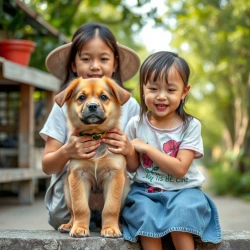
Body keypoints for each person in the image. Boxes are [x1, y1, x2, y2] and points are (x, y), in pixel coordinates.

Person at [102, 51, 222, 250]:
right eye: (153, 88)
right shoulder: (135, 124)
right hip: (146, 191)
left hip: (184, 190)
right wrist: (129, 149)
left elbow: (180, 168)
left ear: (184, 92)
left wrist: (146, 148)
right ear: (143, 89)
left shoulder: (190, 126)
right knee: (144, 212)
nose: (161, 96)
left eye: (170, 90)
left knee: (183, 212)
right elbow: (133, 167)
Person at [39, 22, 140, 230]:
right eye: (86, 59)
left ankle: (112, 220)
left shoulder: (129, 105)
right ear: (74, 65)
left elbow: (136, 166)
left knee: (123, 181)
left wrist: (129, 149)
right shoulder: (63, 105)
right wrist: (67, 151)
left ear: (115, 64)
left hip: (114, 197)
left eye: (103, 59)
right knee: (75, 177)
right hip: (69, 205)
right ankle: (78, 220)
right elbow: (47, 166)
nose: (95, 66)